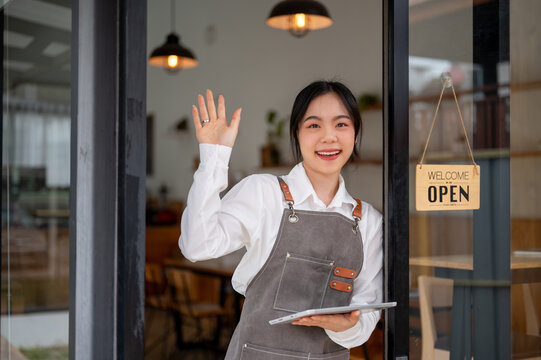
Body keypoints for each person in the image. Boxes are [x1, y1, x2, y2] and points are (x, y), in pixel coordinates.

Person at [180, 81, 383, 359]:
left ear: (355, 134)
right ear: (296, 134)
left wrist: (347, 326)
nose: (328, 137)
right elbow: (197, 246)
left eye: (341, 124)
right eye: (313, 125)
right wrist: (213, 158)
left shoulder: (369, 221)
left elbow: (366, 316)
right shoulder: (264, 193)